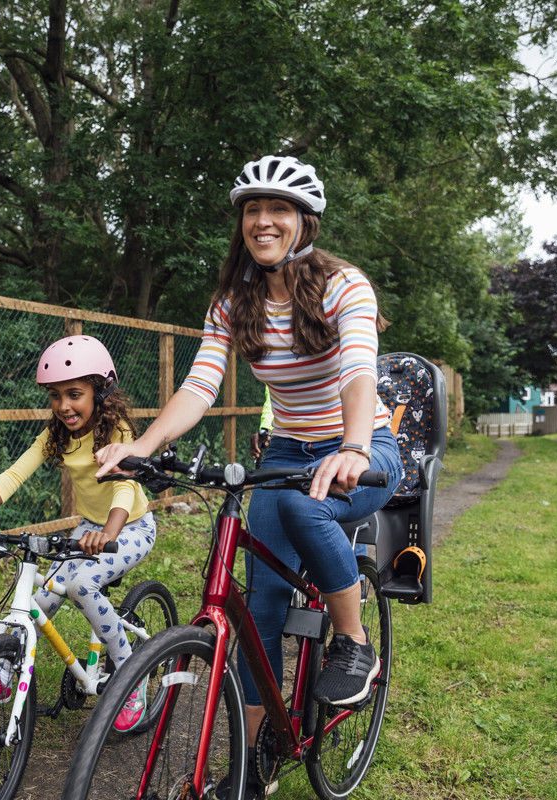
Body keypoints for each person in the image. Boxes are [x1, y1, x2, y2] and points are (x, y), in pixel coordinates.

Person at [95, 155, 404, 784]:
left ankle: (353, 641)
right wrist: (146, 444)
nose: (263, 221)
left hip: (364, 445)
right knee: (258, 601)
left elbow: (358, 374)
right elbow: (200, 385)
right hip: (287, 449)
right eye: (253, 211)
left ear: (305, 222)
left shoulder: (348, 285)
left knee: (301, 508)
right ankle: (253, 760)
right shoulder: (235, 302)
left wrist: (352, 448)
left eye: (279, 210)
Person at [0, 334, 157, 733]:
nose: (63, 405)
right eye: (55, 395)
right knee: (39, 599)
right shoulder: (56, 436)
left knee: (81, 584)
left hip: (129, 526)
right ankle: (4, 673)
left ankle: (132, 675)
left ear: (102, 391)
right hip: (88, 528)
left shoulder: (118, 430)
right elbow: (15, 473)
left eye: (74, 394)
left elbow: (124, 486)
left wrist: (108, 532)